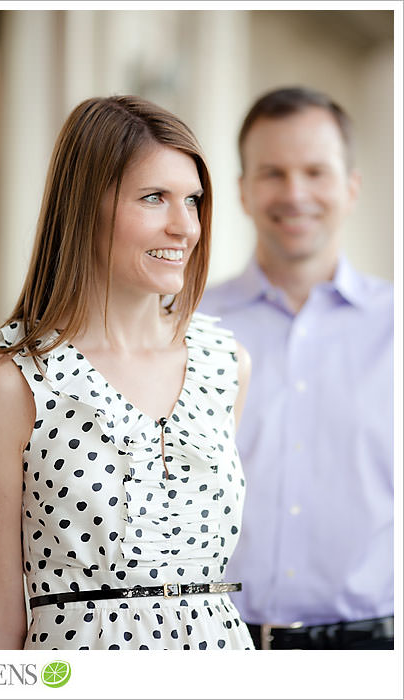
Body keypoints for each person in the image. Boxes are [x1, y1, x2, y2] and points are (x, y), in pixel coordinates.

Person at [0, 95, 254, 650]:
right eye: (154, 198)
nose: (185, 227)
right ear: (83, 206)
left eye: (193, 200)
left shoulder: (227, 364)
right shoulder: (13, 379)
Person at [199, 87, 393, 650]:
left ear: (351, 186)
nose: (295, 193)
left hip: (368, 655)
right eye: (273, 173)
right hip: (216, 646)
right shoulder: (188, 326)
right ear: (241, 191)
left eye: (315, 171)